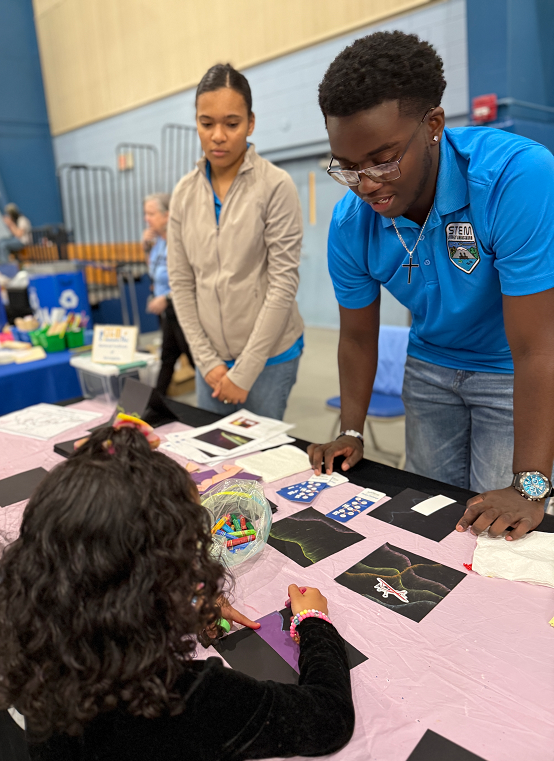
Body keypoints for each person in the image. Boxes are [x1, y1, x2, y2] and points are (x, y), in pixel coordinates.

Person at [0, 424, 354, 761]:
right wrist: (313, 624)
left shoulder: (38, 655)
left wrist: (176, 607)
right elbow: (329, 718)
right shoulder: (191, 698)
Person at [307, 31, 554, 541]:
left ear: (434, 125)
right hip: (430, 370)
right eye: (348, 168)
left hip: (511, 372)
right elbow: (356, 336)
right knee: (432, 520)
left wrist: (531, 488)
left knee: (500, 534)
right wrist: (351, 430)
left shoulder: (515, 177)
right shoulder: (351, 223)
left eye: (383, 159)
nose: (367, 183)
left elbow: (537, 349)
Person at [168, 64, 305, 421]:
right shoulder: (183, 194)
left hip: (269, 359)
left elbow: (283, 283)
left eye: (231, 124)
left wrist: (244, 371)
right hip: (210, 363)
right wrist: (206, 361)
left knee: (264, 466)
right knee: (215, 467)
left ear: (251, 123)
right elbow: (182, 284)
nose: (218, 135)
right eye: (206, 123)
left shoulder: (275, 186)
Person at [142, 193, 195, 395]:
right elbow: (154, 271)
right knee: (168, 356)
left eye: (152, 213)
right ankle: (155, 402)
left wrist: (166, 297)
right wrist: (146, 248)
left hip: (181, 308)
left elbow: (191, 278)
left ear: (167, 215)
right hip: (168, 312)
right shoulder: (159, 242)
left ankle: (219, 400)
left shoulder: (180, 241)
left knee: (192, 358)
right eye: (146, 214)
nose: (147, 218)